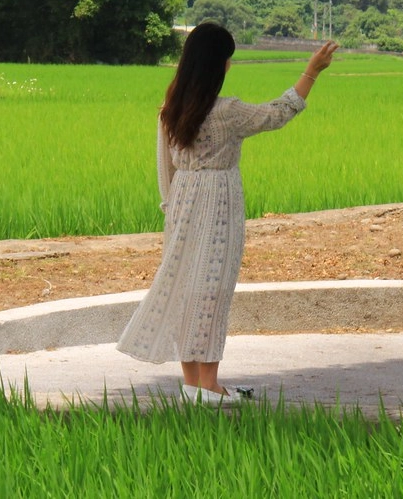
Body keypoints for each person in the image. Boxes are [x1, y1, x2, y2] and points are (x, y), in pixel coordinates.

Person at [117, 22, 338, 404]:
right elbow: (279, 112)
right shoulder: (228, 112)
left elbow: (164, 169)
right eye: (227, 59)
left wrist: (171, 211)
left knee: (187, 289)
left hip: (182, 200)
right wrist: (311, 72)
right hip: (218, 200)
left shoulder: (169, 110)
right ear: (217, 65)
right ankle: (210, 387)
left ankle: (193, 385)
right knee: (213, 291)